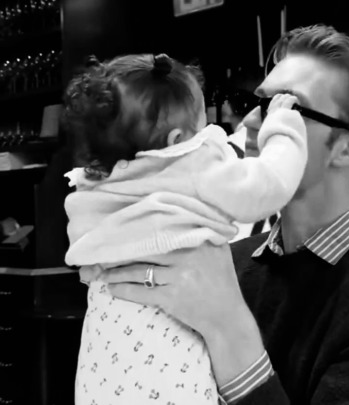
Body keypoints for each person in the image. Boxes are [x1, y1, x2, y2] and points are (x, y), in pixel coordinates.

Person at [96, 25, 349, 404]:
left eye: (286, 109)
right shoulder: (224, 262)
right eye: (256, 104)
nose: (252, 122)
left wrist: (228, 326)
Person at [63, 53, 307, 404]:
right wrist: (283, 125)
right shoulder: (192, 165)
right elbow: (270, 183)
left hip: (107, 337)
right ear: (177, 139)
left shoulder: (96, 183)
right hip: (167, 340)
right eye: (202, 126)